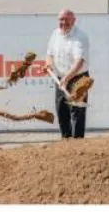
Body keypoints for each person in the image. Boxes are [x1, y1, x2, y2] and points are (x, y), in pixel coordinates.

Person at [43, 9, 90, 139]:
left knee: (77, 111)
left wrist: (67, 77)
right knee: (61, 109)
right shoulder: (55, 34)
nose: (64, 22)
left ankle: (77, 141)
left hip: (78, 78)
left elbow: (79, 61)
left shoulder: (80, 37)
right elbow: (49, 53)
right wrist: (48, 64)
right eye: (61, 19)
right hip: (60, 77)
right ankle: (66, 140)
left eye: (67, 19)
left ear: (74, 20)